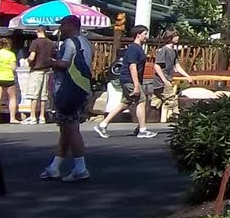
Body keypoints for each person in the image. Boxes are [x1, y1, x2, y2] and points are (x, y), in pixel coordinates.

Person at [43, 14, 95, 182]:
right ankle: (54, 167)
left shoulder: (70, 42)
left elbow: (64, 64)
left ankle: (80, 167)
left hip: (69, 88)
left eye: (63, 25)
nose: (61, 28)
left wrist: (49, 61)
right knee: (66, 128)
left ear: (71, 25)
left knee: (71, 128)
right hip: (82, 87)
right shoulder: (86, 43)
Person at [95, 25, 155, 139]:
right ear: (138, 34)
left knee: (125, 103)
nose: (146, 36)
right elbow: (132, 67)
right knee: (141, 101)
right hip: (129, 79)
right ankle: (142, 130)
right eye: (145, 34)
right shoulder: (134, 49)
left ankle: (102, 125)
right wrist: (136, 85)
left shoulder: (138, 48)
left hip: (128, 80)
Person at [152, 28, 195, 120]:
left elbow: (177, 66)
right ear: (170, 37)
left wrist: (187, 76)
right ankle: (174, 118)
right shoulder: (164, 50)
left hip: (167, 79)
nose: (177, 37)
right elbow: (156, 66)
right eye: (175, 35)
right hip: (162, 81)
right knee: (172, 100)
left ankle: (155, 119)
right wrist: (164, 80)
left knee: (156, 102)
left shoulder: (174, 51)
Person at [26, 27, 55, 125]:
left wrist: (27, 61)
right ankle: (42, 117)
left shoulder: (35, 42)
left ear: (37, 31)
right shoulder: (51, 43)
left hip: (36, 70)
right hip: (47, 70)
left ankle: (33, 116)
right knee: (44, 95)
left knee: (34, 95)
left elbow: (32, 57)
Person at [0, 37, 19, 123]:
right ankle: (12, 118)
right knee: (12, 98)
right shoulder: (11, 54)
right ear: (8, 45)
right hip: (8, 77)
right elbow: (13, 67)